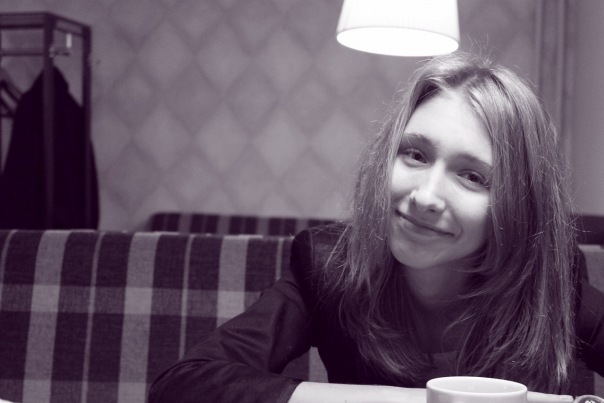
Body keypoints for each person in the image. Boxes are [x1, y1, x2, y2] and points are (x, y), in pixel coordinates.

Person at [148, 52, 604, 403]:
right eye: (415, 154)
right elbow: (183, 384)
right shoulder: (329, 267)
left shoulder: (549, 277)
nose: (425, 196)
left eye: (472, 176)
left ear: (518, 205)